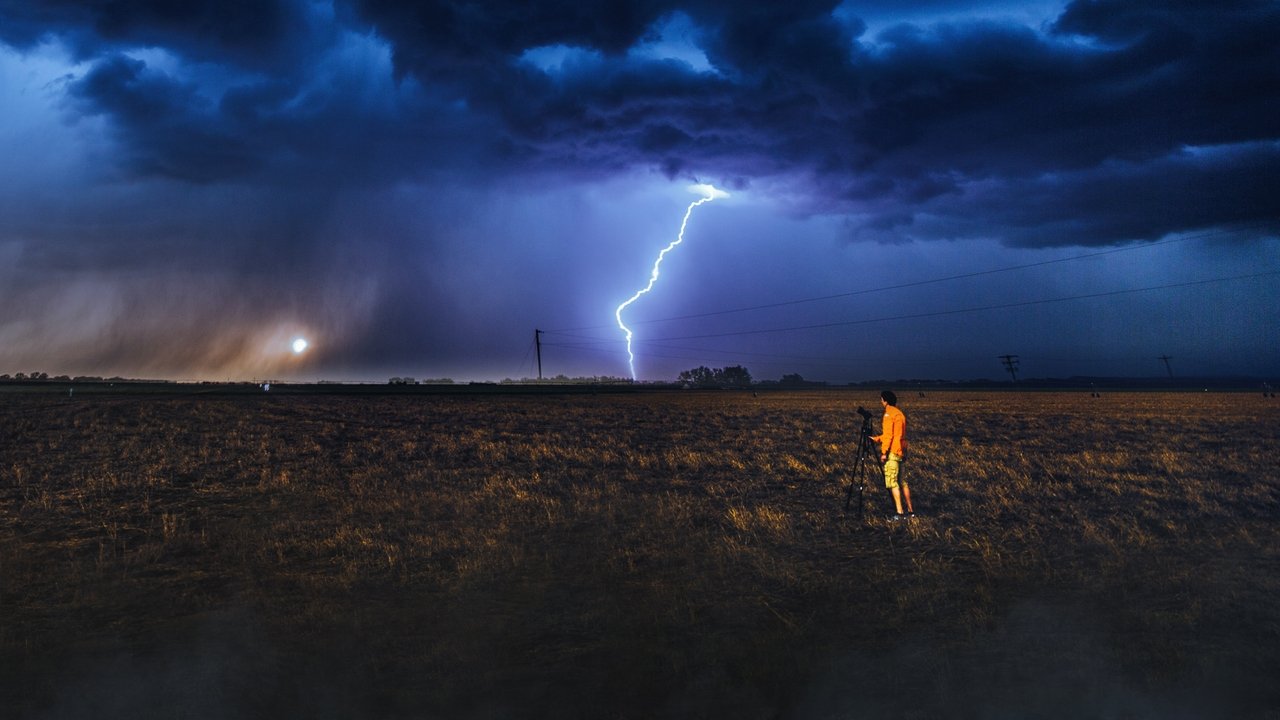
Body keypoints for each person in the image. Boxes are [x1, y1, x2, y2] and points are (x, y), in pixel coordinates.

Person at [871, 390, 914, 521]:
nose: (881, 402)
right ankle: (910, 511)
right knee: (903, 482)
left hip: (892, 452)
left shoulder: (888, 414)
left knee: (892, 482)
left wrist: (884, 452)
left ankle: (899, 513)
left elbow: (889, 436)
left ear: (885, 401)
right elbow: (898, 435)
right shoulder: (900, 414)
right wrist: (877, 438)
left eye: (881, 399)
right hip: (901, 451)